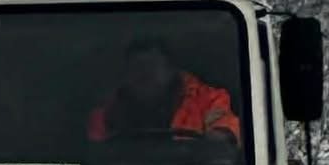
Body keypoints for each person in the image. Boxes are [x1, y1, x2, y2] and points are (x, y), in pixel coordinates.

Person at [87, 38, 241, 143]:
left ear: (171, 70)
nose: (144, 73)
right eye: (136, 67)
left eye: (152, 66)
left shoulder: (208, 100)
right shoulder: (107, 110)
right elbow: (97, 155)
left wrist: (216, 138)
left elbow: (225, 130)